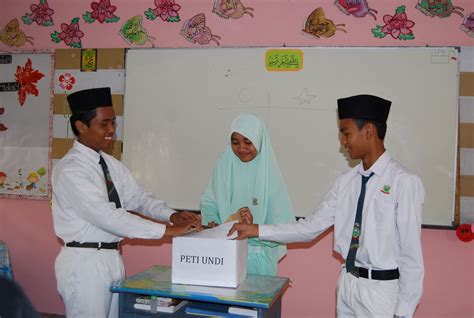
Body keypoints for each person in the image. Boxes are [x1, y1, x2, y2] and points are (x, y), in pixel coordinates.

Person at [229, 95, 425, 318]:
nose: (342, 141)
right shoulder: (346, 182)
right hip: (348, 286)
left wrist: (404, 310)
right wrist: (257, 230)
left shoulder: (403, 182)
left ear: (368, 131)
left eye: (346, 132)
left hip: (382, 292)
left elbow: (411, 255)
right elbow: (309, 228)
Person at [52, 87, 202, 318]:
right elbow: (107, 216)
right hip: (84, 264)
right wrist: (168, 231)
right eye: (104, 124)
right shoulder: (71, 170)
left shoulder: (110, 164)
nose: (112, 130)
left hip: (112, 258)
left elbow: (139, 198)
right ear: (81, 126)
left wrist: (171, 215)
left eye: (114, 123)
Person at [200, 113, 296, 276]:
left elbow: (283, 225)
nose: (241, 149)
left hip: (260, 259)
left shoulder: (269, 175)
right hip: (224, 254)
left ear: (259, 141)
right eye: (235, 142)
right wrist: (214, 222)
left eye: (248, 142)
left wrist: (254, 228)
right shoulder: (224, 165)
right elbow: (209, 201)